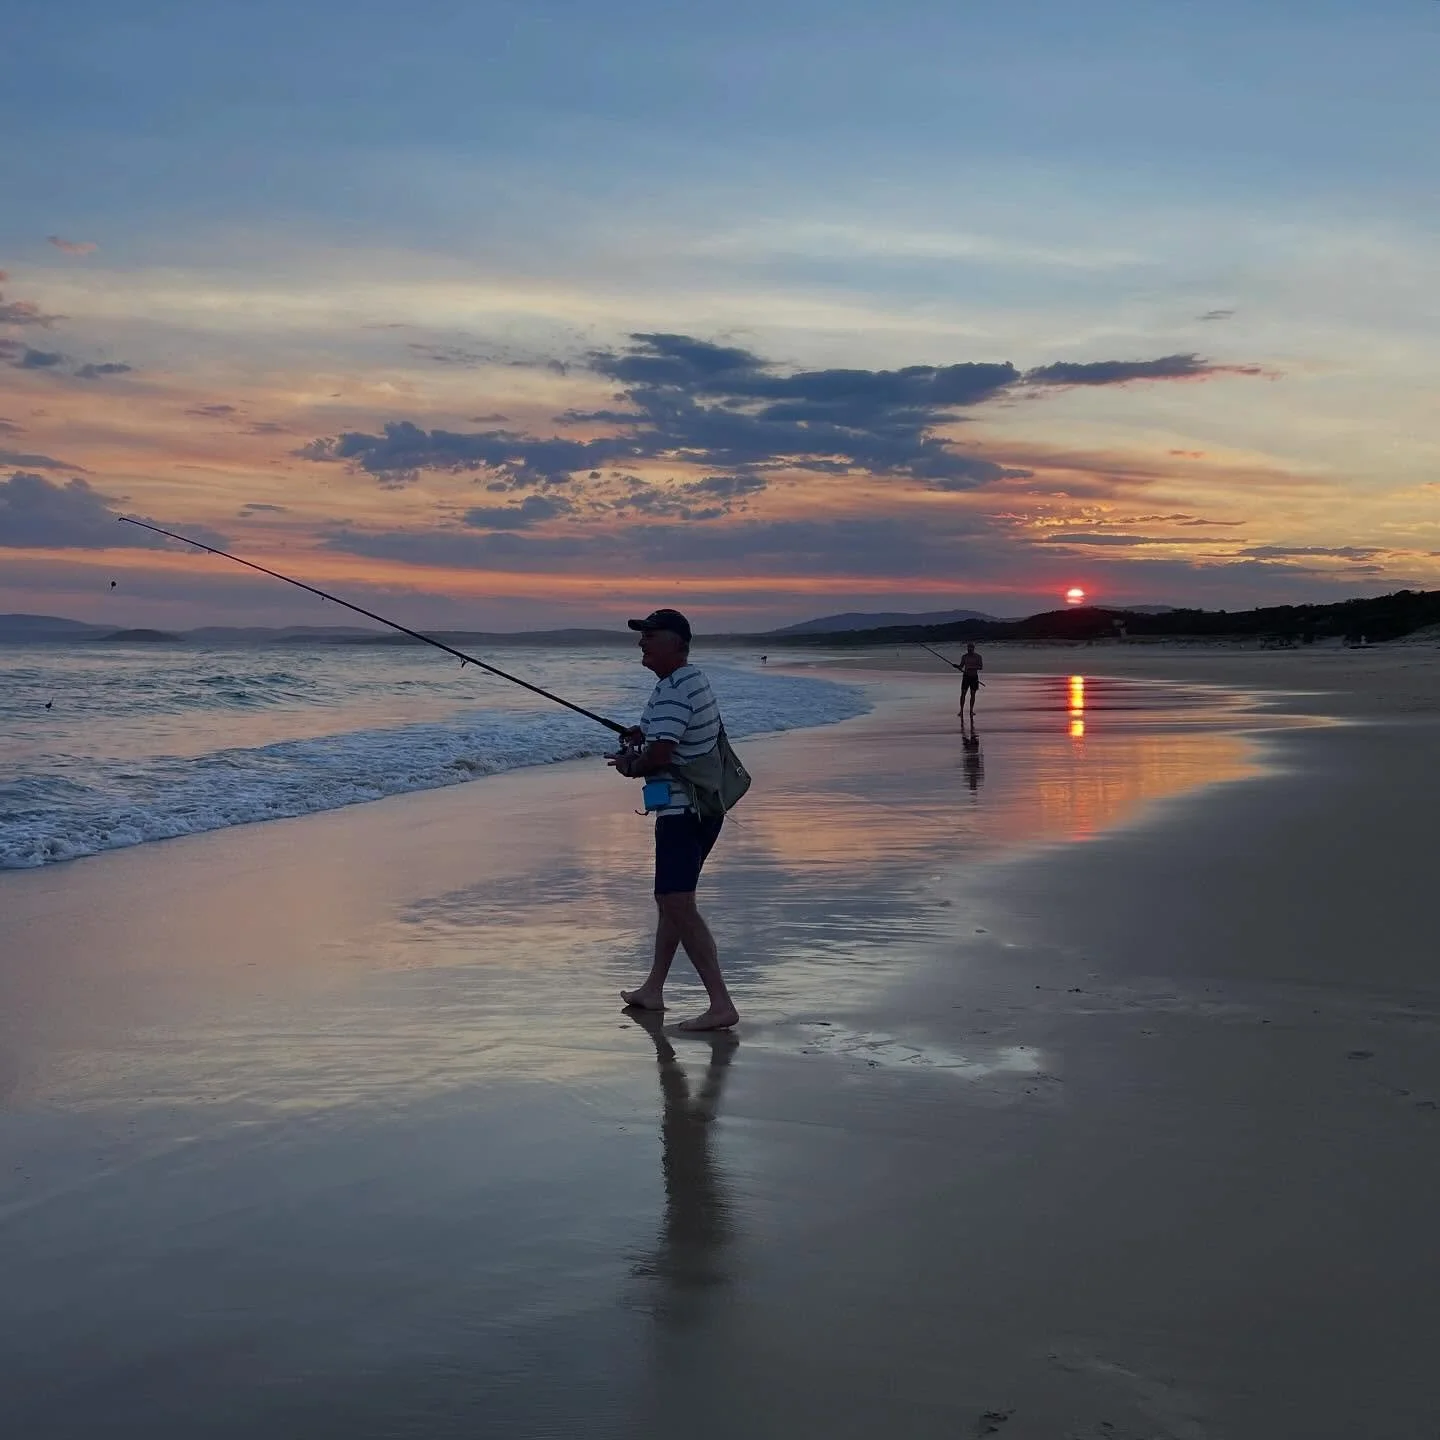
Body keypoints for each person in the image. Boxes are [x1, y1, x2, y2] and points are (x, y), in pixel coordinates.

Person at [609, 608, 739, 1031]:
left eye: (650, 635)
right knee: (671, 901)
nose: (641, 642)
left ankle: (721, 1004)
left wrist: (631, 764)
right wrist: (641, 737)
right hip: (702, 809)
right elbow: (667, 737)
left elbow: (661, 756)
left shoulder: (673, 691)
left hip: (684, 813)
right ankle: (654, 989)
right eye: (641, 635)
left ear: (676, 643)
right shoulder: (688, 679)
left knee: (676, 902)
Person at [958, 642, 983, 724]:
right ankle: (961, 711)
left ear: (973, 648)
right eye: (968, 648)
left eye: (971, 648)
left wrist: (971, 668)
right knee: (963, 694)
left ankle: (971, 711)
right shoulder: (964, 657)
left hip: (974, 677)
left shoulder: (978, 657)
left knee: (973, 694)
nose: (969, 649)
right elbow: (961, 666)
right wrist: (957, 666)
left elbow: (980, 667)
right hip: (966, 677)